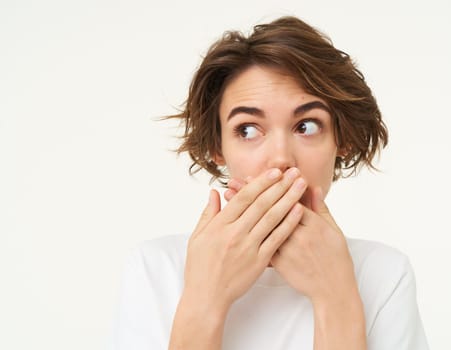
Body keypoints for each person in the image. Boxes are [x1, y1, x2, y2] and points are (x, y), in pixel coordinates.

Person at [109, 16, 429, 350]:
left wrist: (337, 299)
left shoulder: (383, 274)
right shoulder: (155, 268)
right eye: (247, 130)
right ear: (218, 147)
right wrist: (205, 301)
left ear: (341, 138)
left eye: (306, 126)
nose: (280, 158)